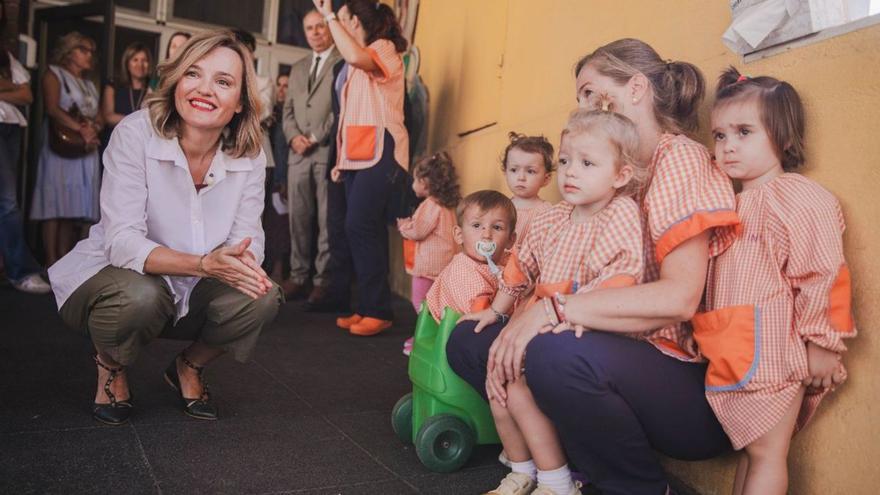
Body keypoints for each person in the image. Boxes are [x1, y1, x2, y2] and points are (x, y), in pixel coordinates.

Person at [447, 38, 741, 495]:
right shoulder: (594, 178)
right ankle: (561, 469)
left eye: (589, 92)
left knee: (552, 351)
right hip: (606, 352)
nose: (583, 106)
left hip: (680, 388)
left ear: (637, 89)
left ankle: (637, 487)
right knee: (471, 338)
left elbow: (679, 298)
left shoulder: (677, 158)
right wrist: (512, 314)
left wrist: (552, 312)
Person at [48, 30, 282, 426]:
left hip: (193, 284)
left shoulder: (251, 153)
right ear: (176, 81)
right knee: (140, 294)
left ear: (240, 101)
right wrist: (205, 264)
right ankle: (111, 367)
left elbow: (249, 235)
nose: (204, 89)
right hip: (117, 280)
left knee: (262, 294)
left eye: (223, 81)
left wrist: (240, 263)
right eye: (193, 74)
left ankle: (187, 366)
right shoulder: (135, 133)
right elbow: (121, 241)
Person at [460, 108, 647, 495]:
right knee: (501, 382)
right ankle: (522, 469)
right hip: (540, 317)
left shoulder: (621, 215)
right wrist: (495, 313)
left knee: (522, 385)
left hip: (584, 325)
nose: (571, 172)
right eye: (564, 162)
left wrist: (559, 321)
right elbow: (519, 272)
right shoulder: (552, 218)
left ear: (621, 175)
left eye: (587, 163)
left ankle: (556, 482)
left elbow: (621, 280)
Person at [700, 67, 855, 495]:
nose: (728, 146)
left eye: (744, 132)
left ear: (783, 137)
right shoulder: (730, 204)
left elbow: (824, 271)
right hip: (730, 351)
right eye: (719, 136)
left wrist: (822, 342)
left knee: (768, 454)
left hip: (772, 354)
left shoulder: (795, 197)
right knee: (754, 453)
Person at [312, 0, 410, 336]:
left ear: (355, 21)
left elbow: (355, 55)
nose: (332, 25)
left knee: (360, 225)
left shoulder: (383, 48)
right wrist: (341, 161)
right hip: (356, 155)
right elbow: (348, 118)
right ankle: (370, 307)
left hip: (383, 151)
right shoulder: (350, 66)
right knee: (360, 229)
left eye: (340, 20)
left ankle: (377, 310)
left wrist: (326, 13)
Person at [281, 9, 341, 303]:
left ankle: (323, 280)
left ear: (329, 28)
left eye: (320, 26)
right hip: (297, 154)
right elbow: (288, 110)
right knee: (298, 219)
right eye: (309, 28)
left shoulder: (342, 63)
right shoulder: (297, 67)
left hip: (325, 152)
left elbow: (339, 111)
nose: (315, 32)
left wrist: (315, 137)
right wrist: (293, 137)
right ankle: (298, 276)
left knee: (327, 220)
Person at [30, 32, 103, 267]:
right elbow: (52, 108)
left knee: (73, 206)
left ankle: (65, 260)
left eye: (91, 51)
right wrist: (81, 130)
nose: (89, 56)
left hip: (85, 147)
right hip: (61, 145)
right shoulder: (54, 74)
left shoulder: (90, 83)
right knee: (55, 202)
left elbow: (98, 113)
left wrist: (94, 128)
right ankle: (50, 260)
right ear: (69, 52)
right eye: (83, 50)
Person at [0, 31, 50, 294]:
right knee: (7, 202)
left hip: (11, 125)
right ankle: (21, 272)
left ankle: (15, 266)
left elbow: (26, 96)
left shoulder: (6, 55)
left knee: (8, 200)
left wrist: (9, 88)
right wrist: (11, 88)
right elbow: (17, 91)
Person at [396, 151, 459, 350]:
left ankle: (425, 337)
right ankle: (439, 335)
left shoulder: (429, 205)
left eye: (415, 179)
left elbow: (418, 231)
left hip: (428, 267)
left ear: (424, 182)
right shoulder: (447, 206)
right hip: (445, 264)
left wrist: (404, 226)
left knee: (421, 302)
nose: (413, 184)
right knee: (439, 302)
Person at [424, 190, 516, 323]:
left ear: (510, 240)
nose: (486, 235)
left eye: (497, 227)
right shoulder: (465, 271)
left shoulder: (507, 262)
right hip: (464, 331)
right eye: (477, 225)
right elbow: (482, 314)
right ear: (459, 235)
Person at [501, 132, 554, 250]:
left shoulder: (547, 213)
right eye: (514, 170)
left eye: (530, 171)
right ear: (505, 172)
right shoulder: (499, 207)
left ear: (546, 179)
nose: (521, 177)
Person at [266, 72, 292, 284]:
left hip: (280, 179)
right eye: (280, 85)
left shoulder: (290, 115)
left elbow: (285, 152)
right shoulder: (270, 113)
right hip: (266, 176)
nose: (282, 90)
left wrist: (282, 181)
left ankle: (279, 269)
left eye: (287, 86)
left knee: (280, 227)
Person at [101, 42, 152, 129]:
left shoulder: (152, 90)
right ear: (127, 64)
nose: (140, 65)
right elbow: (108, 116)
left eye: (144, 60)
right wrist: (136, 121)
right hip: (115, 137)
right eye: (135, 60)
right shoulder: (113, 85)